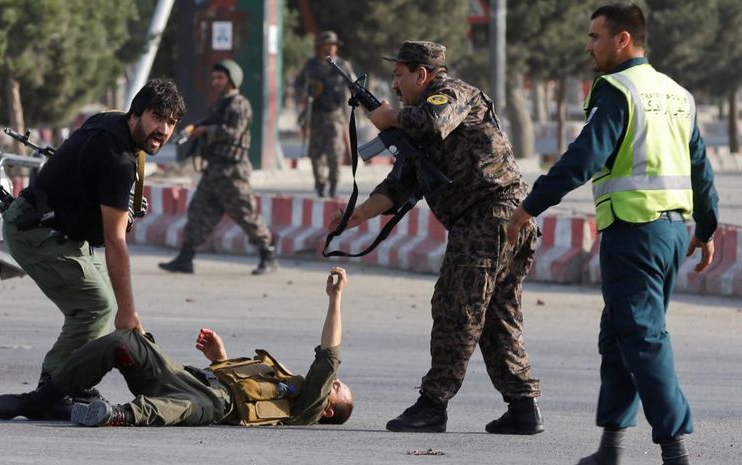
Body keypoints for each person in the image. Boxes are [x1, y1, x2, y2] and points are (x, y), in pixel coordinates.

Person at [506, 5, 719, 465]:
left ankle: (676, 452)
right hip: (670, 233)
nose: (588, 46)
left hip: (633, 232)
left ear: (623, 40)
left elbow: (584, 157)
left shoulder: (619, 89)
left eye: (595, 37)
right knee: (619, 337)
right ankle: (611, 448)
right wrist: (706, 227)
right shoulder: (677, 94)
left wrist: (529, 206)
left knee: (642, 338)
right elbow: (700, 167)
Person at [328, 41, 543, 435]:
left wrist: (390, 117)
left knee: (455, 308)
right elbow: (402, 182)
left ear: (422, 74)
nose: (394, 85)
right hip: (498, 219)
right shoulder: (419, 125)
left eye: (399, 76)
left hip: (489, 216)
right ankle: (523, 405)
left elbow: (430, 121)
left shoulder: (451, 94)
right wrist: (356, 215)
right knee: (497, 315)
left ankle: (432, 404)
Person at [0, 79, 186, 420]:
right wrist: (128, 312)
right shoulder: (118, 159)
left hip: (58, 227)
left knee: (100, 304)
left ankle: (71, 383)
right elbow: (115, 240)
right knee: (97, 306)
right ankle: (53, 388)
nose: (163, 130)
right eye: (157, 118)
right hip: (36, 231)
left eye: (171, 123)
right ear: (136, 114)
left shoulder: (112, 122)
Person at [0, 267, 353, 428]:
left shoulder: (307, 408)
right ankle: (49, 396)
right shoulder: (278, 378)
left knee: (181, 408)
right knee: (126, 340)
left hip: (214, 405)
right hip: (187, 377)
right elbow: (238, 383)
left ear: (327, 411)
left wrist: (335, 298)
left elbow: (329, 358)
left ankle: (115, 415)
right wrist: (220, 359)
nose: (333, 383)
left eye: (336, 389)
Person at [158, 60, 278, 275]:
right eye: (214, 78)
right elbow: (210, 123)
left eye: (220, 78)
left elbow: (233, 132)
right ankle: (185, 258)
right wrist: (195, 129)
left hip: (232, 173)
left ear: (232, 80)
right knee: (198, 212)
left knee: (246, 215)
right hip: (214, 171)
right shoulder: (219, 104)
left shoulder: (238, 104)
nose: (215, 82)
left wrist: (206, 131)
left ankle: (268, 256)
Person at [294, 31, 354, 198]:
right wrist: (304, 94)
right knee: (316, 153)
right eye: (327, 45)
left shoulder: (343, 65)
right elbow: (298, 84)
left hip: (335, 114)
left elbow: (353, 85)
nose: (330, 48)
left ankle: (333, 183)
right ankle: (320, 185)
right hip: (315, 114)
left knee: (335, 151)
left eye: (333, 45)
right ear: (320, 47)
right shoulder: (311, 65)